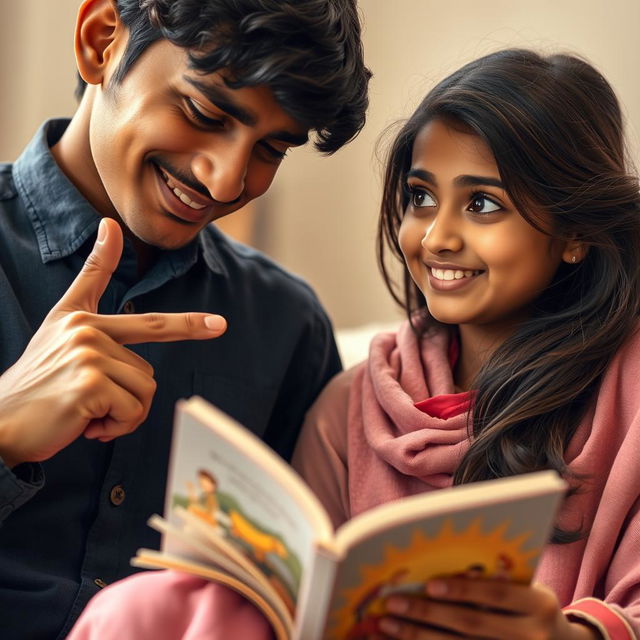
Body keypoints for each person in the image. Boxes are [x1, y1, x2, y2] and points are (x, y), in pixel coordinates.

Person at [67, 48, 640, 639]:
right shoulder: (354, 404)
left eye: (483, 204)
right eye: (421, 197)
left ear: (575, 233)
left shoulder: (630, 396)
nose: (437, 237)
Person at [0, 0, 370, 637]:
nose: (225, 181)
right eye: (204, 113)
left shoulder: (287, 326)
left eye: (271, 149)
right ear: (100, 41)